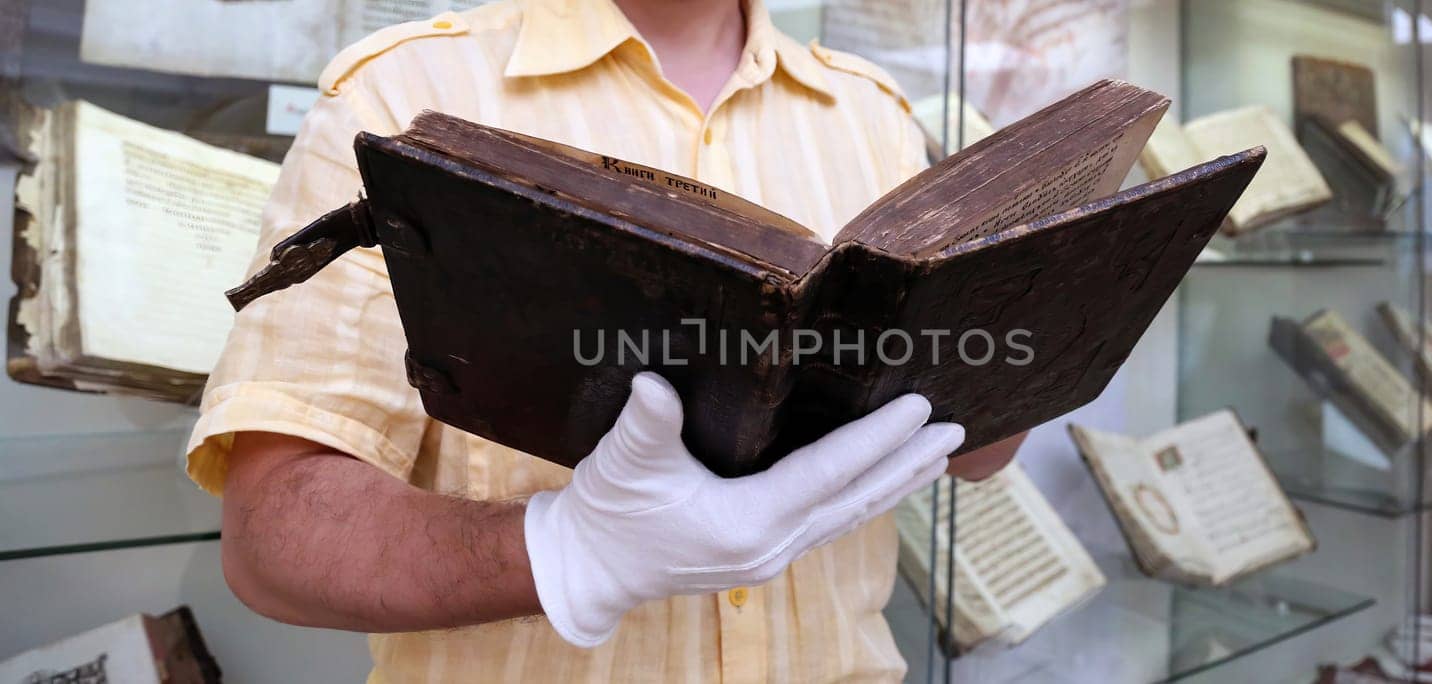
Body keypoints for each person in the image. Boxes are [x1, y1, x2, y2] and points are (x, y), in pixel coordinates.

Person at [188, 0, 1022, 680]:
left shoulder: (874, 115)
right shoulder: (401, 90)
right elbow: (270, 538)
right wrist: (571, 551)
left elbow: (979, 451)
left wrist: (1034, 336)